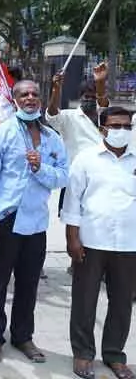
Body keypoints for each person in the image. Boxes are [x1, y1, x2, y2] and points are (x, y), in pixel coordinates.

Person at [0, 79, 68, 365]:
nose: (30, 98)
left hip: (37, 222)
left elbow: (63, 176)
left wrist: (41, 168)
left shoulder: (53, 139)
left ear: (40, 99)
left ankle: (23, 336)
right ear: (14, 99)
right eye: (24, 94)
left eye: (35, 94)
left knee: (28, 284)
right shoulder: (1, 134)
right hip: (5, 219)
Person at [62, 106, 136, 379]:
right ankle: (82, 354)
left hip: (129, 244)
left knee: (122, 302)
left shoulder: (135, 159)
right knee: (85, 299)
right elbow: (72, 201)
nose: (122, 131)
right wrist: (72, 238)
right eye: (116, 126)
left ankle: (115, 355)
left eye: (127, 126)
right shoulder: (86, 159)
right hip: (91, 240)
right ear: (103, 128)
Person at [47, 63, 109, 215]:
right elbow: (52, 114)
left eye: (93, 96)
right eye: (86, 96)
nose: (89, 99)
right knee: (73, 223)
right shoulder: (69, 117)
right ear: (80, 97)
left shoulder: (105, 117)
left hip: (102, 178)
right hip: (76, 178)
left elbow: (103, 104)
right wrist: (56, 90)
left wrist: (100, 82)